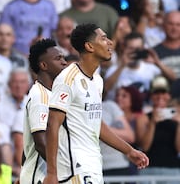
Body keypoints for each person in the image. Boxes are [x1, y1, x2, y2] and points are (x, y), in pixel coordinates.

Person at [43, 23, 149, 184]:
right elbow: (52, 124)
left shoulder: (97, 81)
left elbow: (96, 124)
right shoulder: (68, 79)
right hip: (73, 167)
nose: (110, 43)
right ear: (89, 46)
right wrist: (51, 173)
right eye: (104, 38)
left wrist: (128, 150)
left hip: (93, 164)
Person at [20, 38, 67, 184]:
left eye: (63, 57)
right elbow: (40, 142)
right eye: (58, 58)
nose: (64, 62)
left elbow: (28, 148)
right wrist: (65, 168)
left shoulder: (53, 94)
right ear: (44, 65)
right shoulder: (40, 95)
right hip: (41, 178)